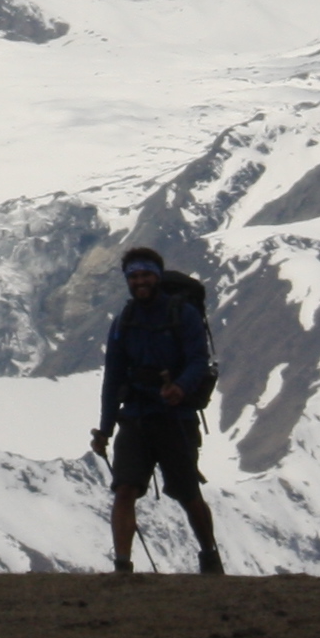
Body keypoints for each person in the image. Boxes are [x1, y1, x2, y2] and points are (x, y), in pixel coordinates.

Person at [89, 246, 223, 575]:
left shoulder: (182, 315)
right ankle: (123, 566)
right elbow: (113, 377)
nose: (140, 281)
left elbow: (197, 360)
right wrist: (105, 429)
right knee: (124, 488)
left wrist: (181, 387)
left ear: (158, 276)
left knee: (187, 491)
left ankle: (209, 555)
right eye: (134, 276)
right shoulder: (125, 321)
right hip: (136, 417)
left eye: (145, 275)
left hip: (174, 418)